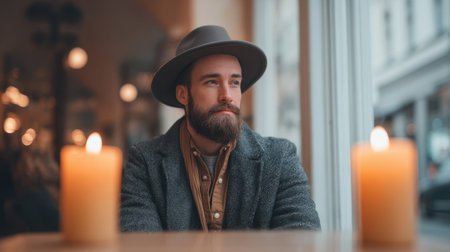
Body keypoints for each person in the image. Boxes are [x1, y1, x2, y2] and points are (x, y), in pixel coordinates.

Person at [120, 25, 320, 232]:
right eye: (212, 82)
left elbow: (302, 239)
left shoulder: (280, 159)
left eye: (234, 82)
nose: (227, 95)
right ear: (183, 95)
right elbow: (140, 241)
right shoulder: (144, 163)